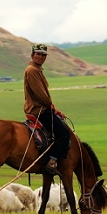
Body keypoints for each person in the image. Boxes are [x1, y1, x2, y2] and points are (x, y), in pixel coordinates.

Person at [23, 43, 71, 175]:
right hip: (39, 111)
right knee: (64, 133)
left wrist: (53, 108)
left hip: (43, 108)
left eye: (43, 55)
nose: (40, 57)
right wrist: (50, 106)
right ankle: (52, 161)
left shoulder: (37, 70)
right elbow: (41, 95)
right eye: (38, 54)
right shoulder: (32, 71)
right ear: (32, 55)